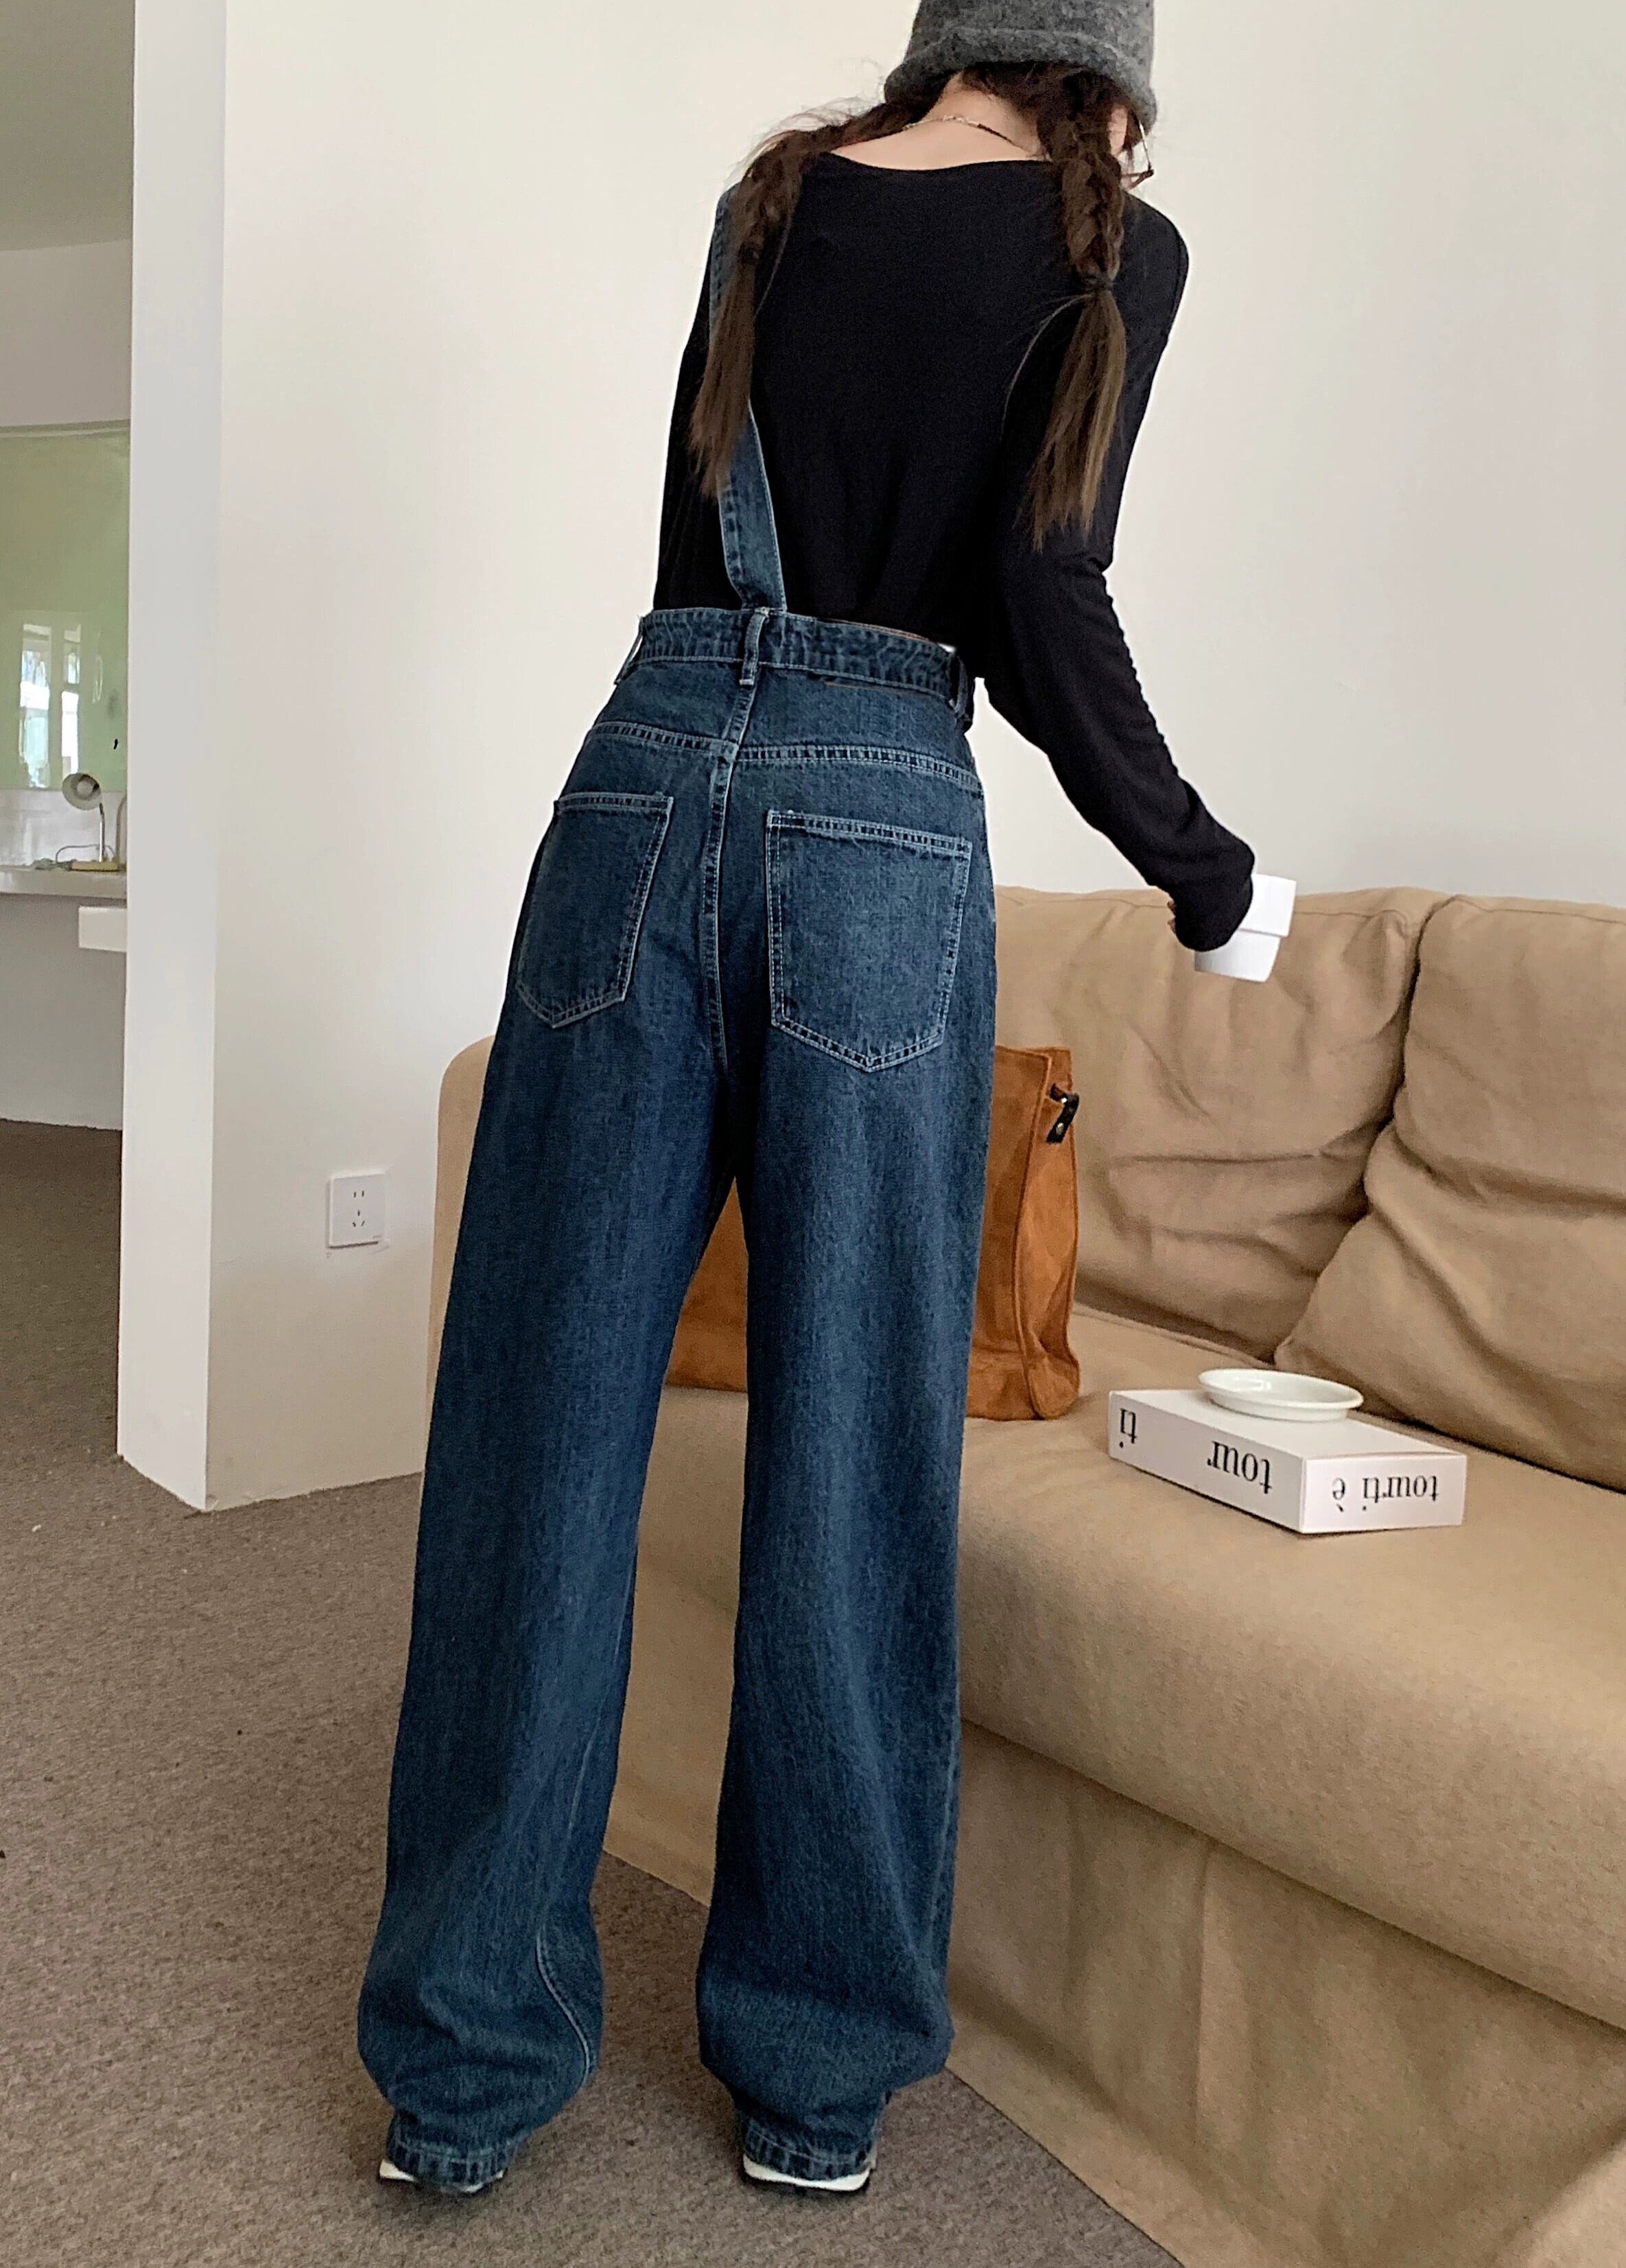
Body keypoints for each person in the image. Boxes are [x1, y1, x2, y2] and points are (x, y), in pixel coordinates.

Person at [357, 0, 1256, 2204]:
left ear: (943, 36)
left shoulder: (772, 198)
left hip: (641, 771)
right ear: (1108, 77)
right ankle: (815, 2070)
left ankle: (461, 2074)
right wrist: (1202, 864)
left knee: (537, 1428)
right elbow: (1036, 590)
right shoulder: (1106, 245)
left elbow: (699, 548)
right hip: (877, 819)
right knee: (851, 1451)